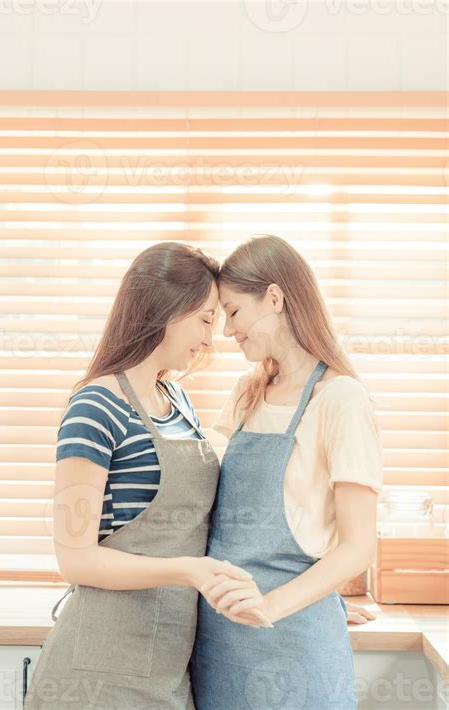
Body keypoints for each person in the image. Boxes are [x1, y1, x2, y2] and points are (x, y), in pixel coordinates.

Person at [24, 242, 263, 710]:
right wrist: (187, 570)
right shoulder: (95, 407)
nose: (210, 339)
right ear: (167, 309)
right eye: (206, 319)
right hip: (94, 673)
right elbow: (75, 559)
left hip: (167, 670)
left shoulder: (178, 402)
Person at [190, 234, 384, 710]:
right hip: (219, 642)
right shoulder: (247, 392)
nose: (227, 330)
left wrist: (275, 606)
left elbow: (358, 546)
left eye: (233, 312)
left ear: (274, 297)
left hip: (293, 642)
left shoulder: (340, 399)